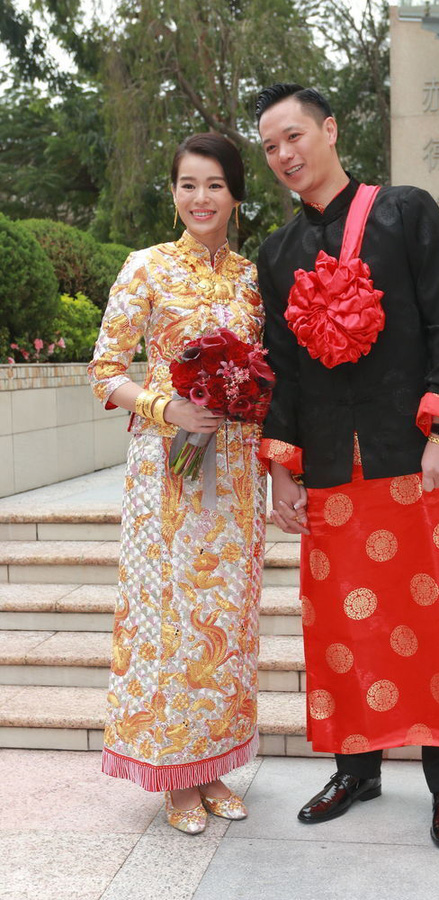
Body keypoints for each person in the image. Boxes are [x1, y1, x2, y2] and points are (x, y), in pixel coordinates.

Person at [255, 83, 439, 849]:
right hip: (330, 470)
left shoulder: (405, 211)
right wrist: (282, 468)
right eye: (270, 146)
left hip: (415, 457)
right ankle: (356, 771)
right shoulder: (276, 254)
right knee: (345, 627)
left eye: (294, 136)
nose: (284, 155)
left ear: (330, 130)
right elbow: (281, 369)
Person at [88, 133, 266, 835]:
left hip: (238, 474)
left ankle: (213, 765)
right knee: (169, 622)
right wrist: (169, 408)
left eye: (215, 184)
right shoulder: (147, 267)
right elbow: (105, 371)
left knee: (227, 621)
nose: (201, 198)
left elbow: (267, 372)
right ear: (173, 192)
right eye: (188, 184)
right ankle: (173, 774)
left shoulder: (253, 279)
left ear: (236, 195)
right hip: (166, 474)